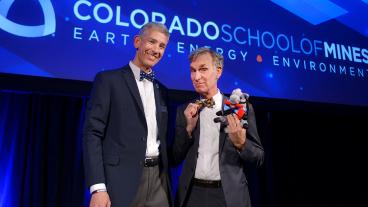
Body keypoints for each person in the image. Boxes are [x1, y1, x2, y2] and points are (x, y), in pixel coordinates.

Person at [83, 22, 171, 207]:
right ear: (137, 42)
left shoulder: (162, 90)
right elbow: (92, 134)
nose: (156, 49)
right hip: (121, 182)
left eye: (162, 46)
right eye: (152, 42)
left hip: (158, 182)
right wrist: (98, 188)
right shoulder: (108, 80)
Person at [171, 47, 264, 207]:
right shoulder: (184, 111)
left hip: (228, 196)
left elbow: (258, 157)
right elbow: (174, 158)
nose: (196, 76)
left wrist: (241, 144)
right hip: (192, 195)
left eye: (203, 69)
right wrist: (188, 130)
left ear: (218, 71)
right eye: (193, 71)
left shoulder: (239, 107)